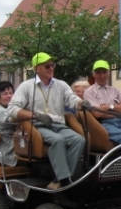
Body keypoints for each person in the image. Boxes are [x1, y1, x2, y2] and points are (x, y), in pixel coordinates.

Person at [7, 52, 85, 190]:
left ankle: (59, 178)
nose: (51, 68)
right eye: (47, 65)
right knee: (57, 140)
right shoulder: (26, 86)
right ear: (37, 68)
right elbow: (12, 109)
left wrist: (81, 104)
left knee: (79, 140)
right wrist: (35, 115)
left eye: (52, 65)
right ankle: (66, 181)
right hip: (38, 126)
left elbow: (72, 99)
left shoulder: (61, 85)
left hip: (58, 124)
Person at [83, 60, 121, 154]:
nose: (102, 76)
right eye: (98, 73)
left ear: (108, 73)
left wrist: (109, 106)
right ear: (93, 74)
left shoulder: (115, 90)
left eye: (104, 72)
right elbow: (97, 113)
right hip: (104, 124)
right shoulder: (89, 92)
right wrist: (119, 109)